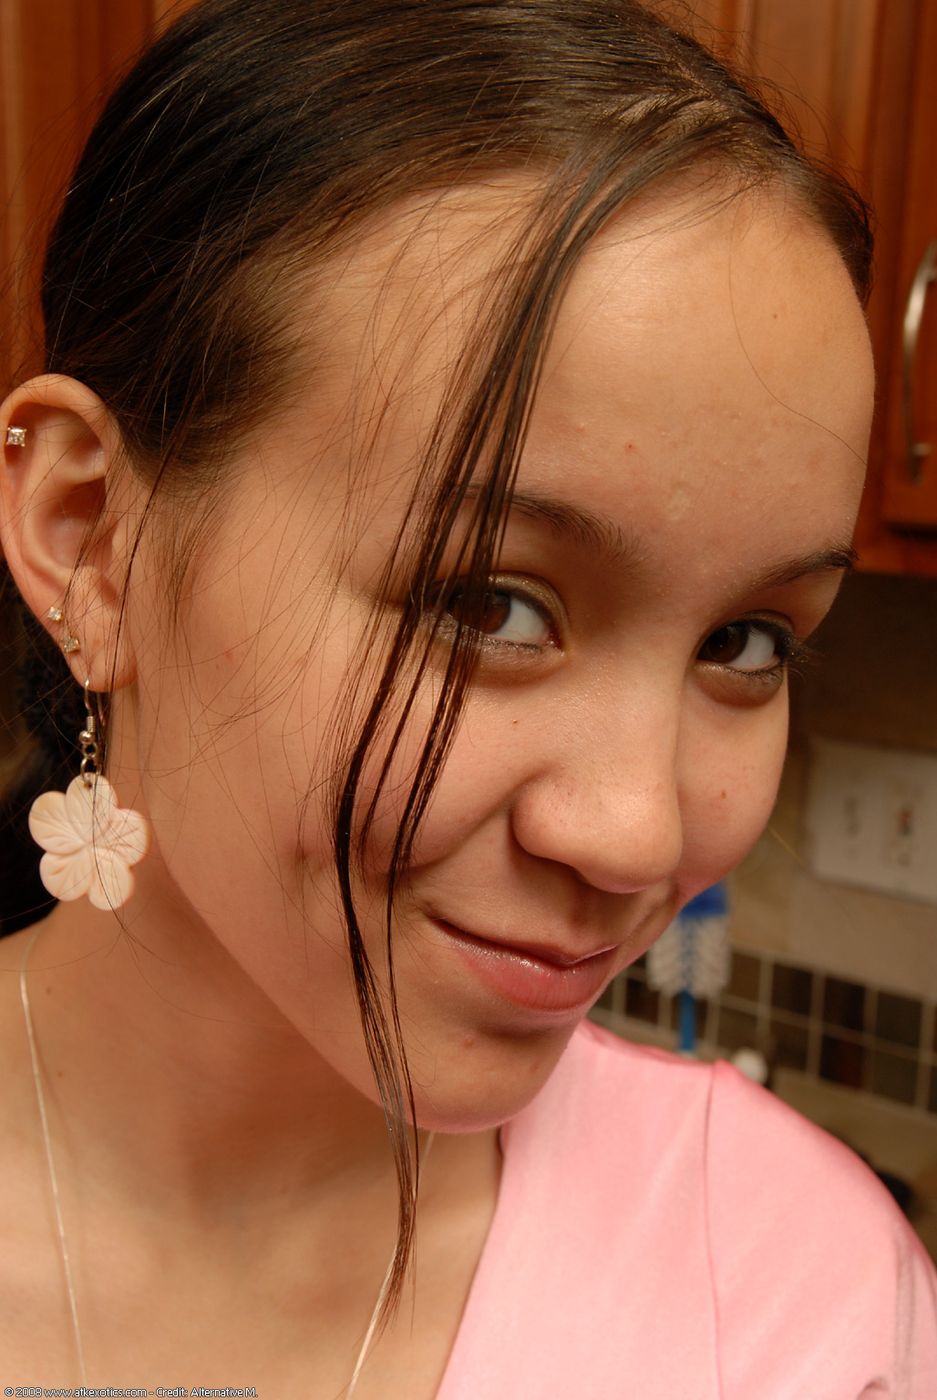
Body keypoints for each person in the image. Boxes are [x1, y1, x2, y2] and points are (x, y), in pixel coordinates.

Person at [0, 0, 934, 1394]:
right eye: (488, 605)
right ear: (93, 539)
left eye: (745, 642)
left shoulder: (800, 1302)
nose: (636, 835)